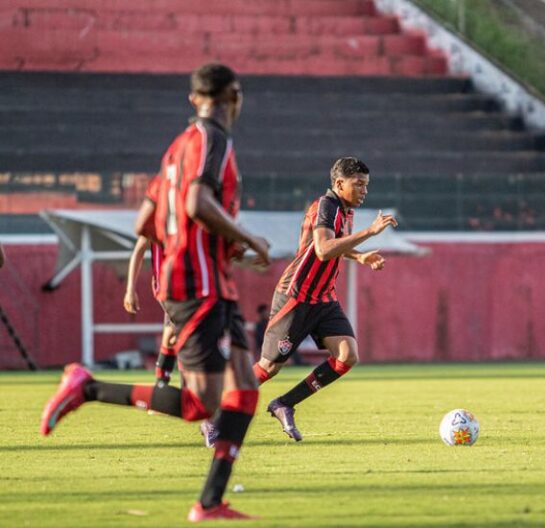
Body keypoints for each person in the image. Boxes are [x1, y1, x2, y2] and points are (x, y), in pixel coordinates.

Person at [40, 62, 271, 522]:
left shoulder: (176, 149)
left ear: (193, 97)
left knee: (244, 389)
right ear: (235, 97)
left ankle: (210, 503)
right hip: (198, 284)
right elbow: (196, 203)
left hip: (208, 281)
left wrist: (209, 243)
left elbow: (144, 221)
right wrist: (245, 238)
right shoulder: (214, 139)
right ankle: (89, 388)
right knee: (198, 404)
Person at [254, 157, 397, 441]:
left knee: (347, 356)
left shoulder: (344, 209)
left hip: (323, 298)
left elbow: (332, 245)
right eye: (358, 184)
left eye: (366, 185)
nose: (364, 191)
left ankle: (284, 403)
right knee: (268, 367)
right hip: (297, 295)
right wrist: (369, 232)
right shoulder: (326, 205)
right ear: (339, 183)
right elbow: (322, 249)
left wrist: (359, 256)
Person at [123, 175, 177, 384]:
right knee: (184, 333)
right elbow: (138, 251)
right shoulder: (156, 221)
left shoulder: (188, 216)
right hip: (166, 286)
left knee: (171, 335)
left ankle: (161, 383)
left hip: (188, 284)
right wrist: (130, 289)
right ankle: (191, 389)